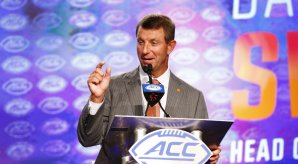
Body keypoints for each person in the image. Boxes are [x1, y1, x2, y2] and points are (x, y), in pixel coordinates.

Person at [77, 14, 221, 163]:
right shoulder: (112, 87)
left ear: (170, 46)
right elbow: (87, 140)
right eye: (140, 42)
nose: (145, 50)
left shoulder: (193, 97)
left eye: (154, 43)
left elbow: (199, 149)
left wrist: (208, 156)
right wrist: (96, 99)